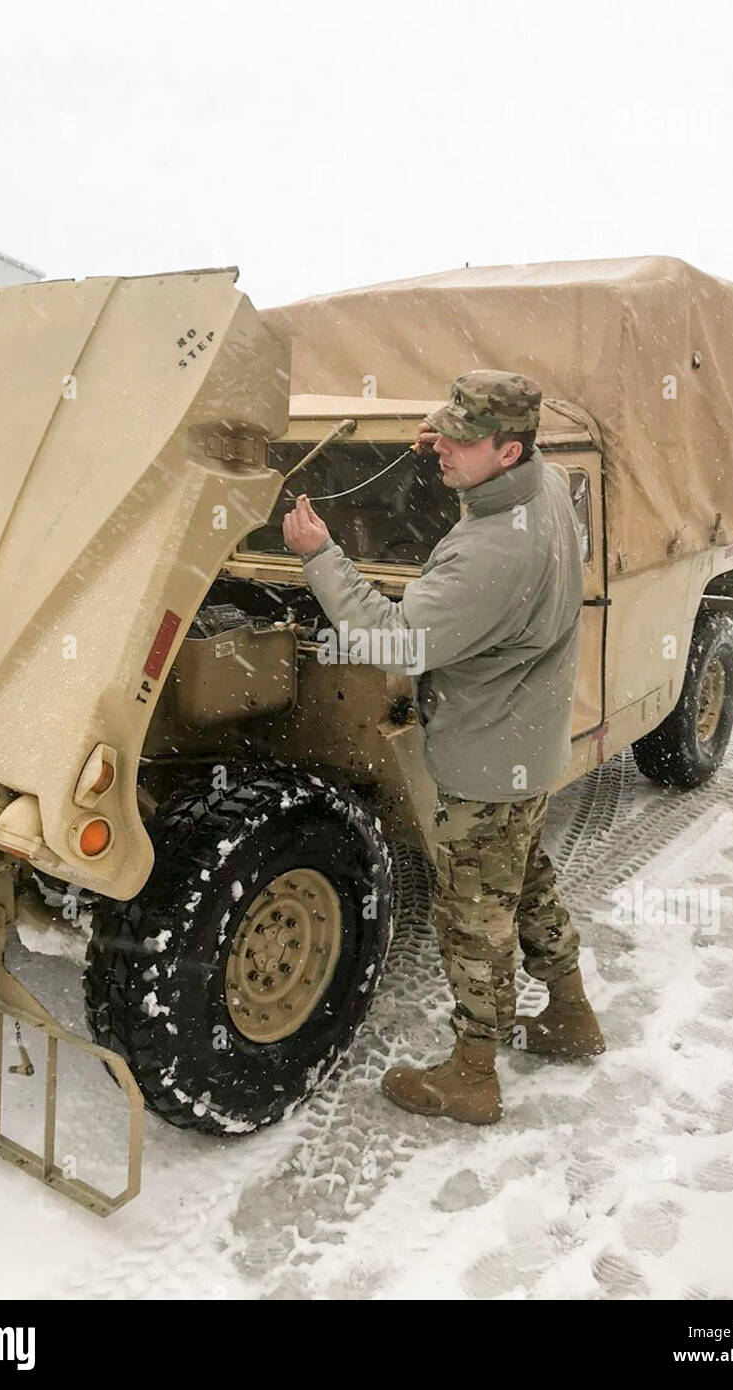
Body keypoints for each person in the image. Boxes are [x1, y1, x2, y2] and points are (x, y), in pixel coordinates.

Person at [282, 370, 605, 1126]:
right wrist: (461, 449)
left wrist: (320, 555)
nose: (440, 449)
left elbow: (394, 641)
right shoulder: (546, 486)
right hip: (526, 740)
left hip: (485, 757)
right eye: (443, 433)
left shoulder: (491, 555)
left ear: (510, 448)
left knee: (473, 915)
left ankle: (472, 1075)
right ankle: (569, 1012)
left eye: (462, 440)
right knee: (522, 876)